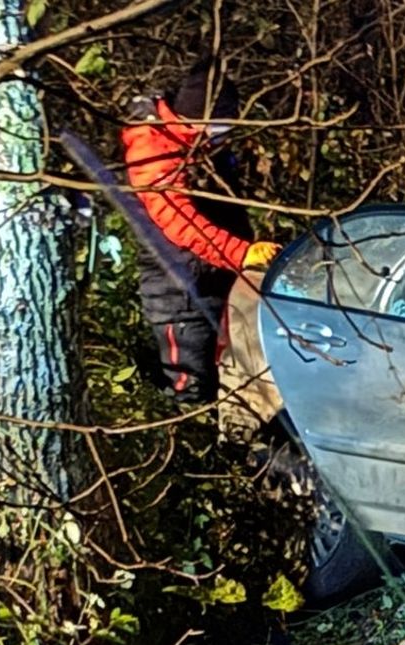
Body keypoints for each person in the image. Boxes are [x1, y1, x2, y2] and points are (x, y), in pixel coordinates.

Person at [121, 59, 281, 403]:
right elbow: (179, 221)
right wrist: (240, 252)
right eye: (221, 123)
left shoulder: (203, 146)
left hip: (219, 283)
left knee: (235, 378)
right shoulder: (153, 149)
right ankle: (184, 444)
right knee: (189, 389)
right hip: (178, 296)